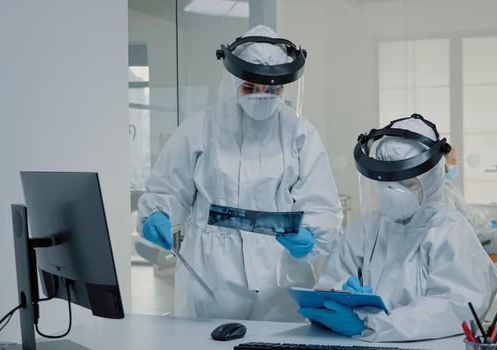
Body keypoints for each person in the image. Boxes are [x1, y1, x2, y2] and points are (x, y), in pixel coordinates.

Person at [136, 25, 342, 322]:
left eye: (272, 89)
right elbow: (168, 190)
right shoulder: (200, 128)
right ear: (233, 81)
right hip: (212, 272)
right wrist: (158, 214)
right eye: (250, 87)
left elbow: (323, 205)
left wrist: (312, 233)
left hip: (279, 272)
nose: (262, 96)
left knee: (280, 343)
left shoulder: (300, 134)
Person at [299, 115, 497, 341]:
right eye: (386, 181)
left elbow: (455, 307)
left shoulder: (450, 230)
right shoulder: (364, 229)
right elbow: (328, 287)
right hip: (360, 343)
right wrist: (340, 295)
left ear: (431, 179)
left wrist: (371, 324)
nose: (393, 193)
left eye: (407, 183)